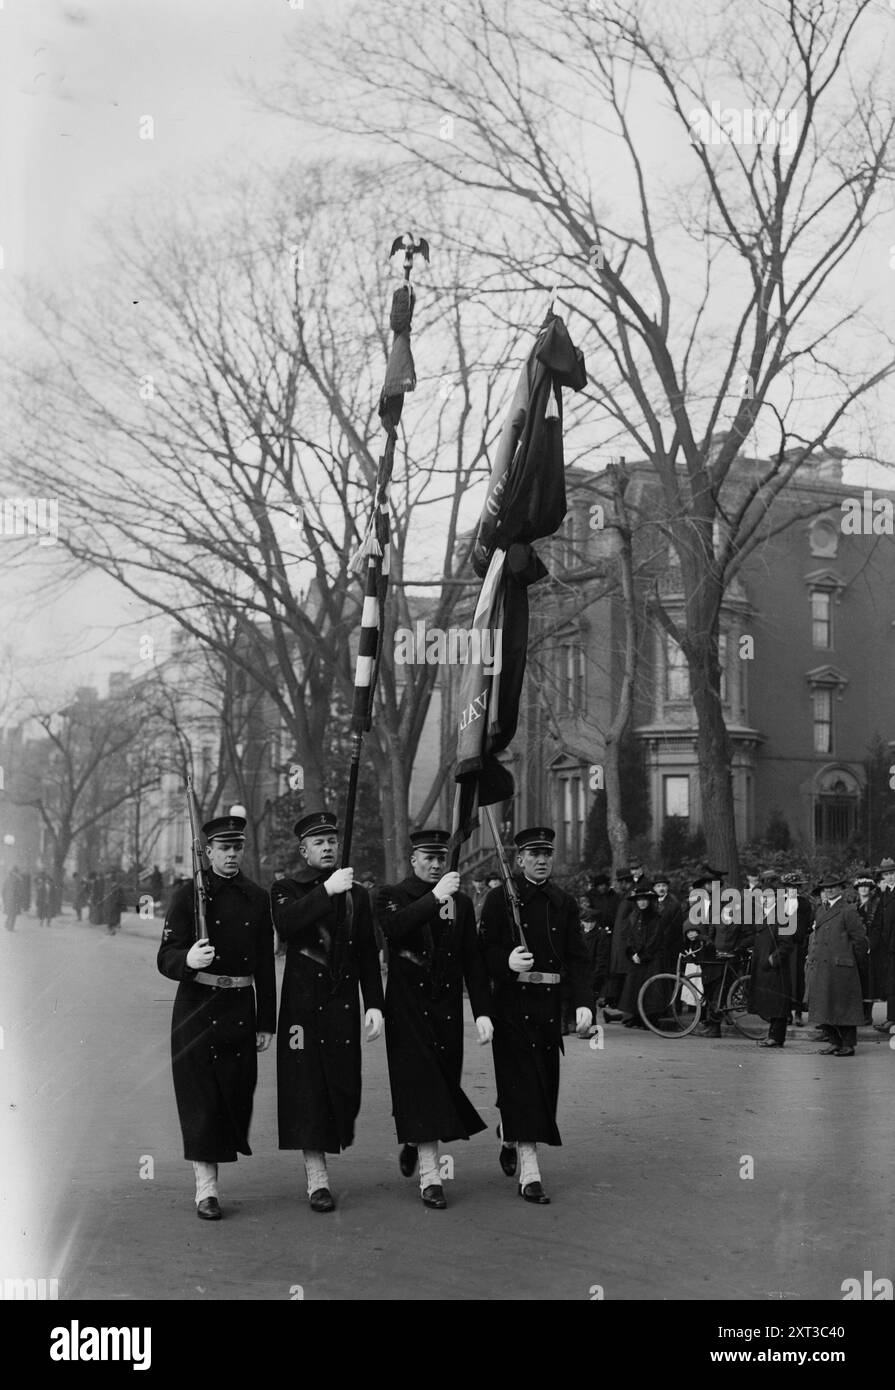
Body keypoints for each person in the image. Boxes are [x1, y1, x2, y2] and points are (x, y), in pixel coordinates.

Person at [157, 812, 275, 1220]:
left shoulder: (257, 898)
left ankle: (214, 1172)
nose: (230, 854)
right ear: (207, 852)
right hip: (196, 1008)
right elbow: (165, 956)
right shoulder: (188, 895)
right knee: (200, 1101)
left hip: (239, 1009)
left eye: (236, 847)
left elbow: (264, 966)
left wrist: (266, 1021)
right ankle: (206, 1189)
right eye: (223, 848)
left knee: (235, 1095)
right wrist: (187, 960)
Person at [271, 810, 384, 1213]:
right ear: (304, 850)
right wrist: (326, 893)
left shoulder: (358, 894)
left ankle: (326, 1151)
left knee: (343, 1085)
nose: (328, 848)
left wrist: (375, 1003)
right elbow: (287, 924)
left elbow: (368, 953)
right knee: (307, 1088)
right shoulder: (287, 888)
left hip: (341, 1001)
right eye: (319, 843)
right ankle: (317, 1177)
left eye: (332, 842)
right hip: (302, 1007)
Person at [374, 829, 493, 1210]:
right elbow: (394, 930)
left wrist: (482, 1011)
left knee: (441, 1082)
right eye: (428, 856)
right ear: (413, 859)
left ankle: (412, 1140)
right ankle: (431, 1177)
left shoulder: (462, 902)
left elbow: (472, 960)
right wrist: (435, 896)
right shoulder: (392, 895)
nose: (436, 863)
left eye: (441, 857)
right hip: (407, 1005)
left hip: (444, 1006)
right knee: (420, 1083)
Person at [479, 826, 593, 1204]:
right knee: (523, 1086)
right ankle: (530, 1174)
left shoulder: (564, 902)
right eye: (534, 854)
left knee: (542, 1088)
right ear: (519, 860)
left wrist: (583, 1003)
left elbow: (577, 956)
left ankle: (509, 1134)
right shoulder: (499, 900)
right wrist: (505, 961)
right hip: (511, 1006)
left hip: (548, 1009)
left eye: (546, 853)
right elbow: (481, 955)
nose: (542, 860)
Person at [806, 875, 868, 1057]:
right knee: (824, 1007)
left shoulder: (848, 910)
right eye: (826, 888)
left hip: (841, 967)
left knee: (844, 1007)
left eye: (833, 887)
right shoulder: (820, 909)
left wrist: (854, 961)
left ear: (841, 889)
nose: (829, 890)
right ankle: (834, 1041)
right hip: (822, 966)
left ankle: (848, 1045)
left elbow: (860, 940)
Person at [751, 871, 796, 1048]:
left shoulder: (782, 915)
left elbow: (787, 944)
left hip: (775, 966)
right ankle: (773, 1035)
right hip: (762, 964)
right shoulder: (762, 915)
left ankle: (777, 1037)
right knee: (771, 1002)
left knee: (778, 1003)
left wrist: (773, 959)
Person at [617, 886, 664, 1029]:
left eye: (644, 900)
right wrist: (632, 953)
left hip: (651, 959)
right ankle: (635, 1017)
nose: (642, 903)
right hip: (636, 958)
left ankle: (649, 1019)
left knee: (650, 989)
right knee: (634, 987)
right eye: (639, 900)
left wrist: (643, 955)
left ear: (649, 901)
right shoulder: (634, 916)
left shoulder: (655, 918)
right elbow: (630, 937)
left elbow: (654, 939)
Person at [853, 873, 882, 1025]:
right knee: (856, 979)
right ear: (857, 889)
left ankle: (867, 1015)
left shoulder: (876, 904)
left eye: (866, 887)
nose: (863, 889)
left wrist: (871, 944)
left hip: (869, 947)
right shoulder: (854, 904)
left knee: (868, 980)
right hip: (855, 947)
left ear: (870, 889)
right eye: (861, 886)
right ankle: (858, 1013)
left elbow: (878, 927)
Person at [874, 857, 895, 1034]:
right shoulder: (885, 894)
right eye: (886, 874)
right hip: (887, 946)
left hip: (894, 945)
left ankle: (892, 1019)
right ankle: (891, 1018)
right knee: (890, 983)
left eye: (892, 873)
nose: (889, 877)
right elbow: (880, 920)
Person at [3, 866, 23, 932]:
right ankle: (10, 927)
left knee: (10, 913)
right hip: (15, 899)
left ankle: (8, 924)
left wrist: (4, 899)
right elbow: (19, 890)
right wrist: (20, 898)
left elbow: (3, 890)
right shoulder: (17, 879)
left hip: (8, 899)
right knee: (13, 914)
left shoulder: (7, 879)